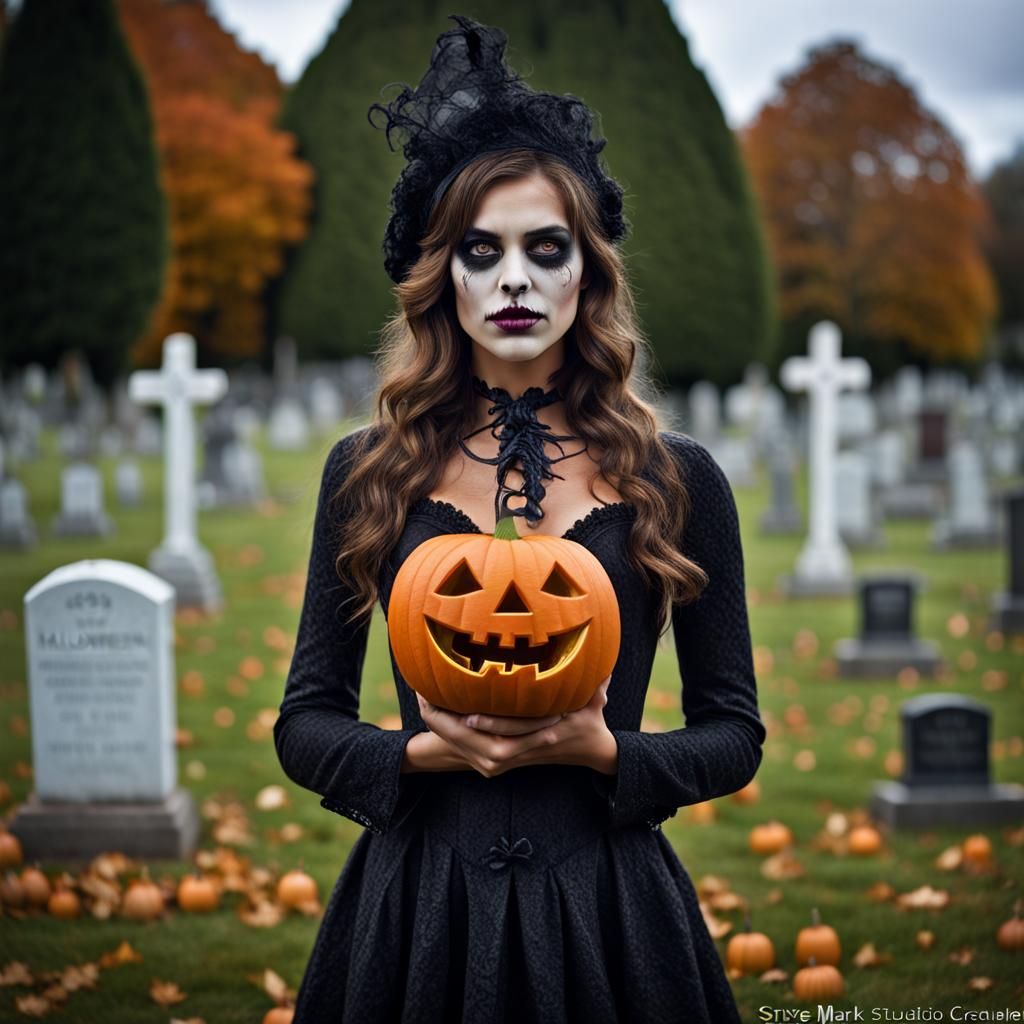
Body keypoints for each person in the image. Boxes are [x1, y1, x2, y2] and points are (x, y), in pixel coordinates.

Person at [274, 15, 765, 1024]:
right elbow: (305, 721)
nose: (512, 280)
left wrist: (607, 754)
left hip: (612, 912)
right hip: (418, 911)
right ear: (439, 277)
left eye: (546, 249)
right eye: (479, 251)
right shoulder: (368, 472)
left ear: (587, 273)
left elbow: (734, 731)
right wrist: (417, 755)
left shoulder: (678, 480)